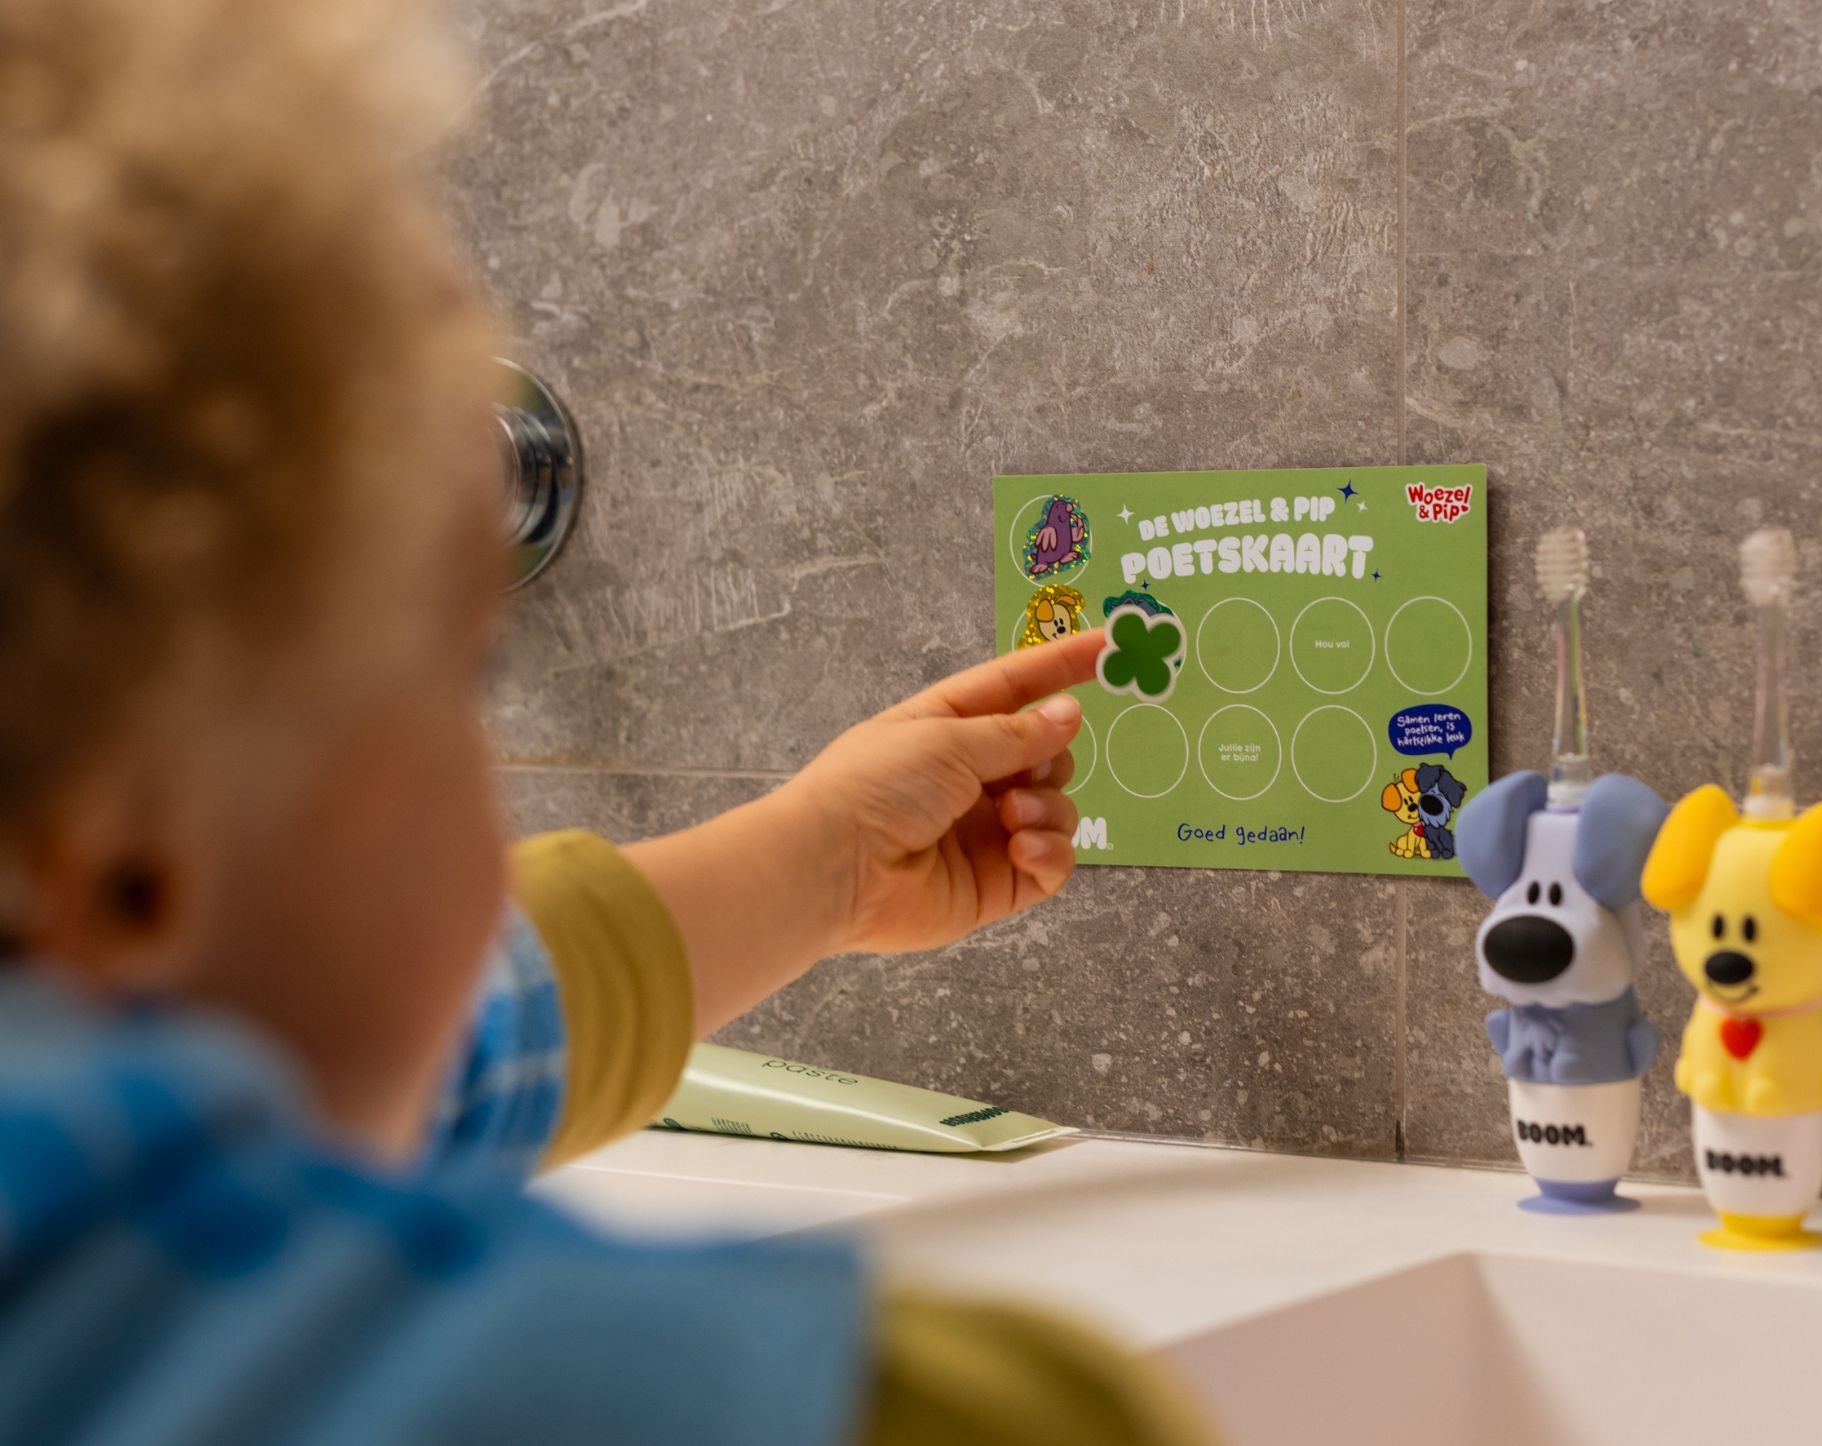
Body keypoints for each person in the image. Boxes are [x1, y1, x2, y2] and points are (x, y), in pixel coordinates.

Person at [0, 1, 1211, 1441]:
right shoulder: (889, 1412)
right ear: (130, 869)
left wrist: (826, 860)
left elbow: (438, 1046)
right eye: (463, 673)